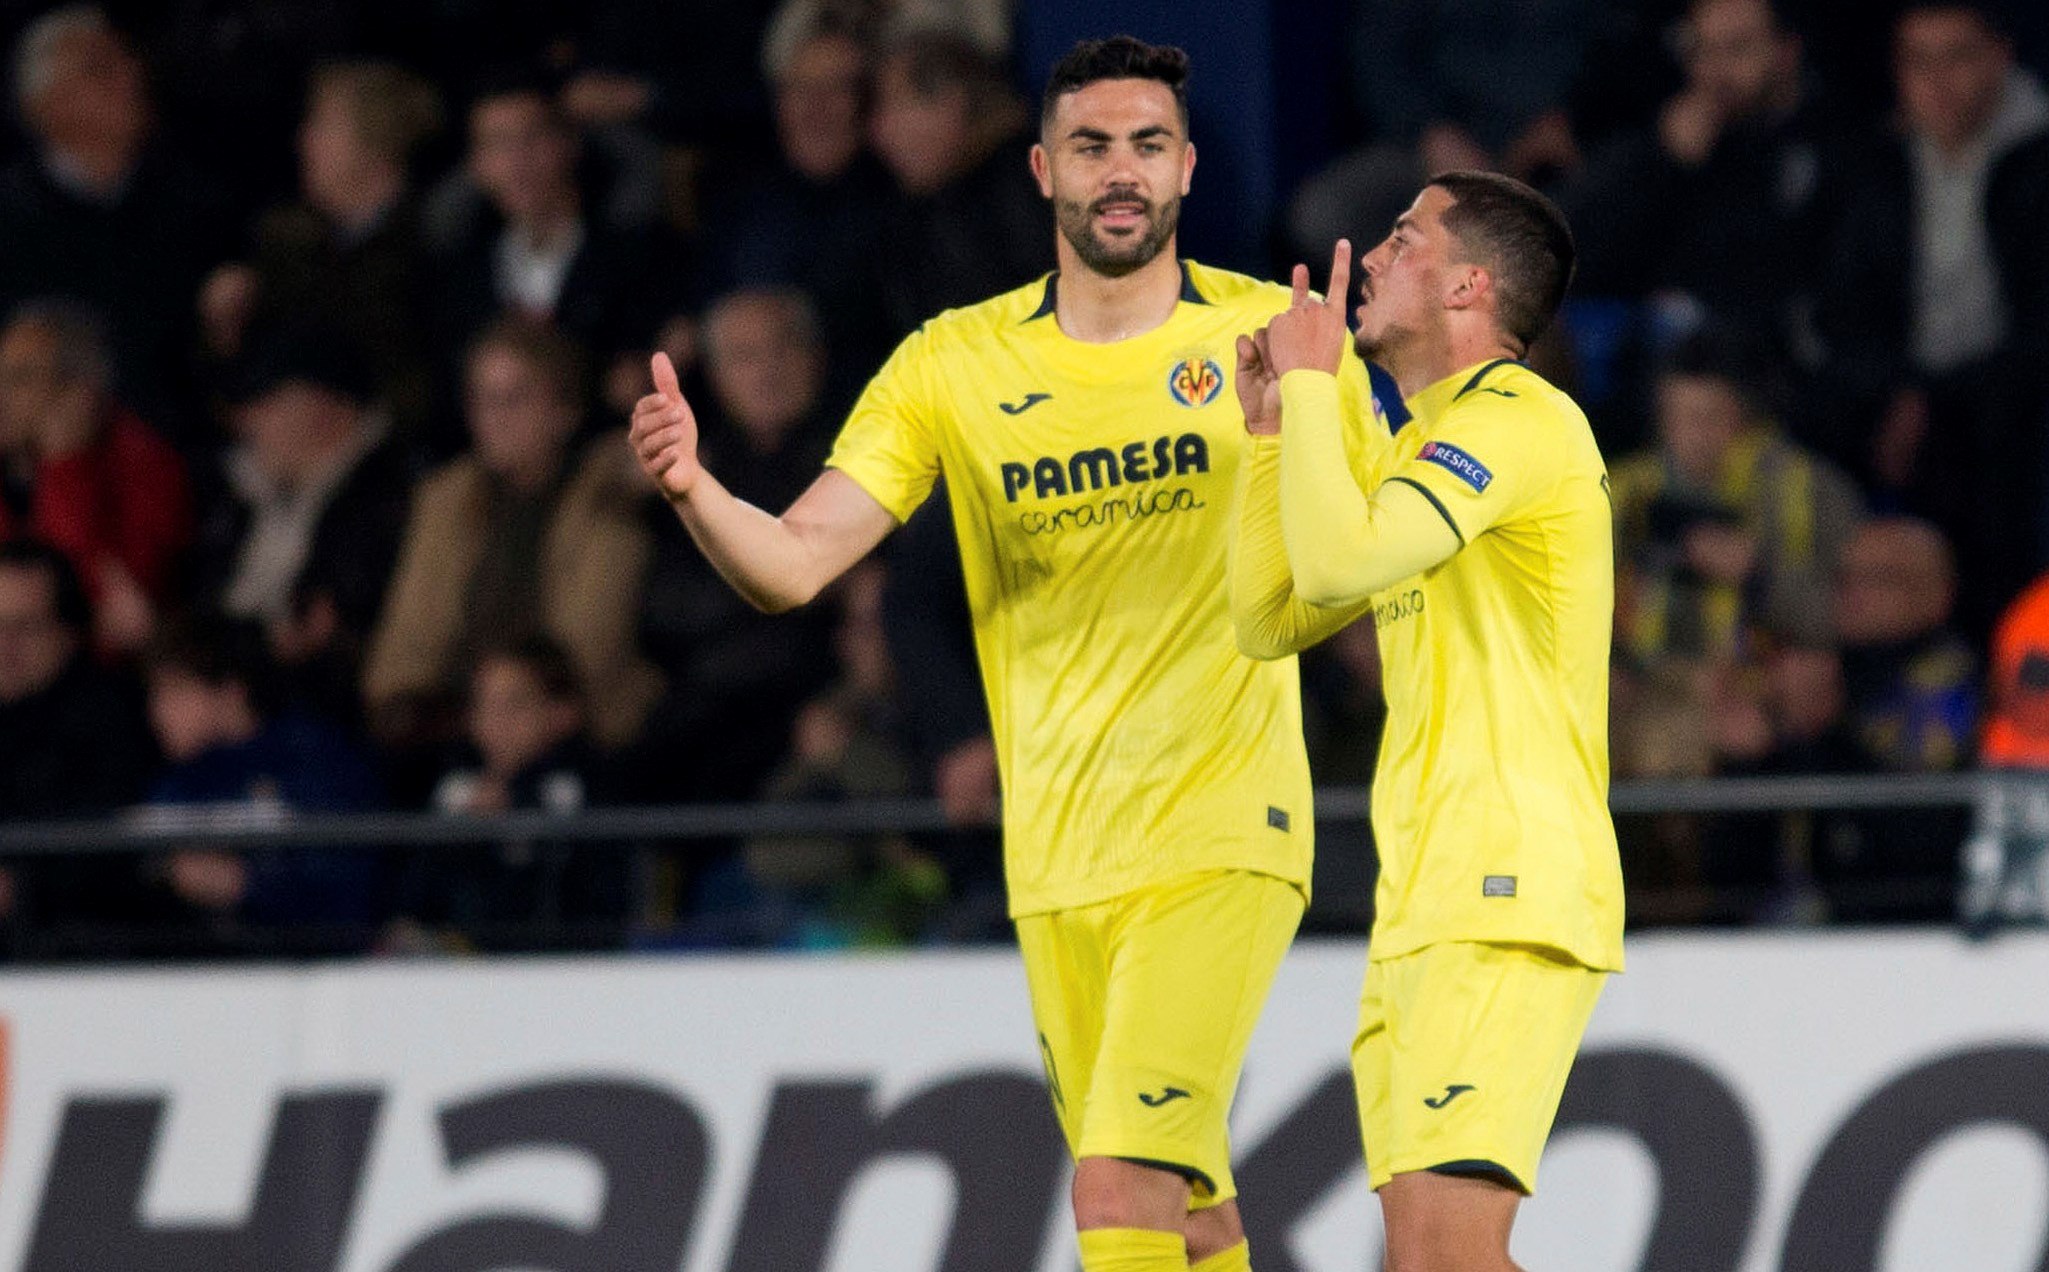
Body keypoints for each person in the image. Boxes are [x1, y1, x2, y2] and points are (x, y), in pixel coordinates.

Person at [630, 36, 1376, 1272]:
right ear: (1043, 170)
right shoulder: (951, 365)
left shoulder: (1276, 337)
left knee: (1122, 1182)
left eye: (1147, 145)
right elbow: (795, 563)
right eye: (1092, 146)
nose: (1120, 171)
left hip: (1221, 832)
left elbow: (1354, 569)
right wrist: (696, 488)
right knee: (1192, 1216)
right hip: (1058, 854)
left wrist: (1298, 431)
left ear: (1188, 168)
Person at [1230, 172, 1622, 1269]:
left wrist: (1314, 392)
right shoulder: (1417, 447)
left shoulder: (1520, 420)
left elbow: (1344, 556)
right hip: (1425, 897)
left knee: (1447, 1254)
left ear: (1468, 286)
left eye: (1405, 239)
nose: (1373, 253)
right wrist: (1271, 435)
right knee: (1426, 1258)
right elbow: (1270, 616)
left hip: (1503, 884)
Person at [0, 300, 192, 655]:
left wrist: (67, 465)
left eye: (21, 378)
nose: (3, 395)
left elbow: (89, 612)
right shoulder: (15, 462)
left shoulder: (146, 465)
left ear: (79, 391)